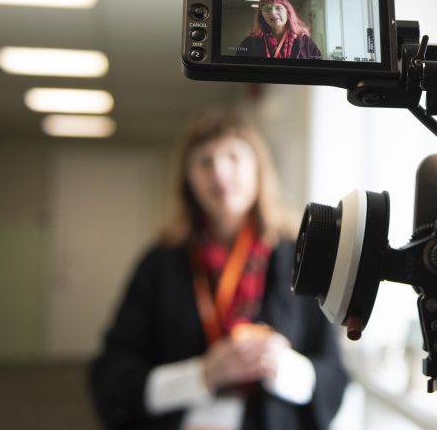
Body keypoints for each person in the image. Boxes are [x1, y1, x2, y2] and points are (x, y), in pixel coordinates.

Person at [90, 108, 346, 430]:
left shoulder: (301, 258)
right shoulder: (160, 263)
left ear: (258, 169)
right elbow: (111, 374)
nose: (219, 173)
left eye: (233, 157)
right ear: (188, 179)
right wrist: (202, 375)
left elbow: (334, 377)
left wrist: (282, 368)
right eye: (204, 162)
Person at [238, 0, 322, 59]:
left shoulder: (305, 42)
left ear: (288, 13)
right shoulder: (250, 42)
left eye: (278, 8)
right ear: (261, 16)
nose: (272, 13)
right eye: (267, 9)